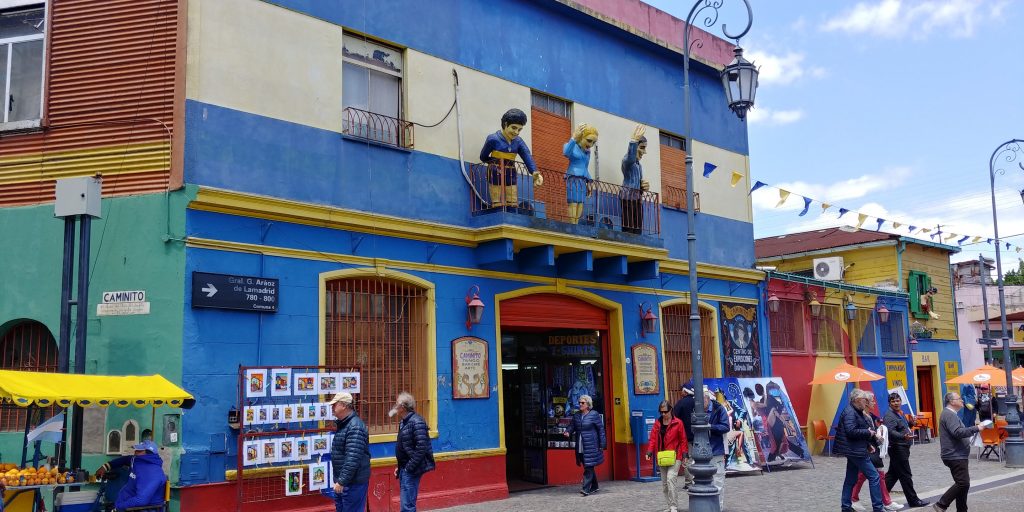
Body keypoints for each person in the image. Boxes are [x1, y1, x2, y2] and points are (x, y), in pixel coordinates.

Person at [934, 391, 989, 512]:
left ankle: (962, 509)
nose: (962, 400)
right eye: (959, 399)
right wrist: (976, 428)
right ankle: (941, 504)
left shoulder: (951, 414)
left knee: (963, 484)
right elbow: (958, 432)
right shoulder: (949, 414)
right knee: (963, 483)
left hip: (958, 454)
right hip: (954, 455)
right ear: (952, 401)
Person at [479, 108, 541, 207]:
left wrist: (534, 171)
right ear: (505, 124)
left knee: (512, 198)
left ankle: (510, 207)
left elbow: (526, 155)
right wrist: (491, 162)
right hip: (495, 170)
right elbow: (483, 156)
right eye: (514, 128)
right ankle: (496, 205)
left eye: (519, 129)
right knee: (496, 195)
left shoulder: (518, 141)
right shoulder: (493, 139)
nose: (516, 132)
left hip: (511, 171)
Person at [850, 394, 902, 511]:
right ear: (866, 402)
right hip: (867, 449)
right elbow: (859, 432)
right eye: (872, 401)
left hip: (873, 448)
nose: (874, 403)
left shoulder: (870, 416)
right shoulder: (860, 416)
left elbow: (876, 425)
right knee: (873, 475)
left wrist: (880, 430)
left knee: (867, 475)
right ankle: (856, 499)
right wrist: (874, 434)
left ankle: (882, 501)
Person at [836, 388, 884, 512]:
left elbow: (857, 429)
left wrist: (867, 444)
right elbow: (851, 431)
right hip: (855, 451)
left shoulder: (856, 411)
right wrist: (868, 433)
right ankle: (878, 508)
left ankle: (846, 507)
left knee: (850, 479)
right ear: (857, 400)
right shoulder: (850, 412)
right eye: (865, 400)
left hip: (855, 449)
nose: (867, 402)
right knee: (874, 477)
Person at [391, 391, 435, 512]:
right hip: (404, 467)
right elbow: (405, 446)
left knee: (407, 505)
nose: (395, 407)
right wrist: (400, 466)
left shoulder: (417, 422)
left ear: (403, 407)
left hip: (411, 469)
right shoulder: (404, 422)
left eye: (397, 404)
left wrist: (409, 467)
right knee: (406, 502)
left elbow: (422, 447)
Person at [883, 392, 929, 508]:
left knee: (892, 476)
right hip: (897, 448)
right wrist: (903, 437)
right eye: (893, 401)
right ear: (889, 403)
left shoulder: (899, 413)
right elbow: (891, 432)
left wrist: (911, 423)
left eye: (897, 400)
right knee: (905, 475)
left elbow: (903, 427)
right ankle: (913, 501)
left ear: (901, 402)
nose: (896, 403)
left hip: (903, 446)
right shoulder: (889, 415)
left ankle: (879, 497)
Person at [95, 440, 167, 511]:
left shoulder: (153, 473)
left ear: (148, 453)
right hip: (125, 506)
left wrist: (117, 508)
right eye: (136, 450)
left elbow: (141, 500)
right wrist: (106, 467)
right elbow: (125, 459)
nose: (135, 452)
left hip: (139, 509)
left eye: (139, 451)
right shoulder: (138, 461)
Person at [329, 392, 370, 512]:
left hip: (352, 483)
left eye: (334, 405)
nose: (332, 408)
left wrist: (341, 481)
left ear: (343, 405)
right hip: (345, 482)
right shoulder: (345, 425)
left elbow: (352, 458)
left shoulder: (355, 426)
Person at [645, 399, 687, 512]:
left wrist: (684, 454)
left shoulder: (678, 423)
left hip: (675, 455)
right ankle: (669, 506)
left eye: (665, 411)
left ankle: (674, 506)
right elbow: (653, 439)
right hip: (662, 456)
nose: (663, 414)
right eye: (661, 412)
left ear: (671, 410)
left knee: (670, 479)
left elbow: (683, 439)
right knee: (664, 484)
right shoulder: (657, 423)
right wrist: (649, 451)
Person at [564, 394, 606, 495]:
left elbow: (601, 430)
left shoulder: (594, 414)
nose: (580, 404)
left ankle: (586, 489)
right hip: (581, 445)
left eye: (582, 403)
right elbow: (572, 426)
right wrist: (568, 431)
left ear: (588, 404)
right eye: (579, 402)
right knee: (588, 465)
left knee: (588, 467)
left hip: (592, 445)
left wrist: (602, 444)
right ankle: (595, 486)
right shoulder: (577, 415)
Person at [563, 123, 598, 224]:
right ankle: (572, 223)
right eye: (589, 141)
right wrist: (573, 138)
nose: (590, 145)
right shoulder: (571, 146)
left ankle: (576, 223)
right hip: (573, 177)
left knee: (580, 203)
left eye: (593, 142)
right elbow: (566, 153)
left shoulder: (587, 152)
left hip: (582, 180)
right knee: (573, 201)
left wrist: (590, 181)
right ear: (581, 137)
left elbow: (585, 168)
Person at [702, 387, 731, 510]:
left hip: (716, 449)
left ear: (707, 398)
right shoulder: (696, 410)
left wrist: (710, 427)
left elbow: (725, 427)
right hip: (701, 451)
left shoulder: (719, 409)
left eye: (701, 400)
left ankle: (717, 508)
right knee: (700, 482)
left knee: (718, 481)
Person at [619, 124, 649, 234]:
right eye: (642, 148)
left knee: (637, 227)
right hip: (627, 197)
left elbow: (639, 183)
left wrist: (643, 186)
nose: (644, 152)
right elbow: (630, 157)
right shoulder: (627, 161)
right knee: (628, 225)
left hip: (637, 198)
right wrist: (633, 141)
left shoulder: (639, 166)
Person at [671, 383, 696, 488]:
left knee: (687, 459)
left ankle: (689, 482)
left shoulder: (681, 403)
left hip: (685, 436)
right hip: (698, 435)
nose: (681, 392)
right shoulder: (697, 402)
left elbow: (674, 419)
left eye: (682, 390)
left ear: (685, 391)